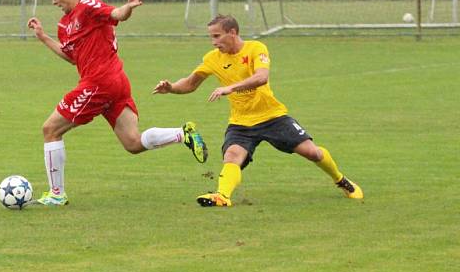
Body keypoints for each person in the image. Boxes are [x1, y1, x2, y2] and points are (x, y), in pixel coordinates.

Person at [26, 0, 206, 206]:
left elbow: (116, 14)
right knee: (132, 142)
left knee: (50, 129)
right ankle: (183, 134)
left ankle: (56, 194)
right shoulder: (64, 24)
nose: (54, 1)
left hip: (98, 83)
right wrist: (43, 37)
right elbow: (71, 57)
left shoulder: (88, 6)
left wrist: (129, 6)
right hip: (115, 81)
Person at [153, 14, 362, 207]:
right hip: (241, 121)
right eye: (211, 37)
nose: (214, 42)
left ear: (232, 32)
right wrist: (170, 87)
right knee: (232, 155)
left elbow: (262, 77)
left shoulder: (256, 48)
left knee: (312, 152)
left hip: (273, 116)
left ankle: (341, 180)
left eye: (217, 36)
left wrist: (231, 87)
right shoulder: (212, 58)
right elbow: (190, 83)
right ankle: (222, 196)